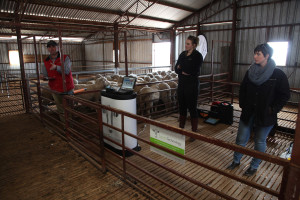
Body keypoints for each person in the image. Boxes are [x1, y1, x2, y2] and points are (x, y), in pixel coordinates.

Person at [227, 43, 290, 176]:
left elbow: (285, 95)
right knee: (241, 138)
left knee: (260, 141)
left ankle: (254, 166)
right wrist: (243, 104)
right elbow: (243, 89)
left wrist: (273, 109)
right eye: (255, 53)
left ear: (267, 56)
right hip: (248, 112)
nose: (255, 56)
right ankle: (236, 161)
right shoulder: (250, 72)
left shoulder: (277, 74)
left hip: (265, 114)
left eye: (258, 54)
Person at [175, 35, 203, 141]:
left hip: (192, 85)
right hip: (182, 83)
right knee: (182, 105)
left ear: (194, 45)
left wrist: (182, 68)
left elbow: (193, 70)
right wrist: (181, 70)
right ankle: (181, 129)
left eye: (188, 44)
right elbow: (176, 68)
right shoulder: (182, 54)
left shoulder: (197, 56)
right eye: (186, 43)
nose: (185, 45)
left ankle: (193, 132)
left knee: (192, 107)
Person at [40, 40, 74, 122]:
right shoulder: (45, 61)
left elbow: (66, 70)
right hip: (55, 89)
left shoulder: (65, 58)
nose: (51, 49)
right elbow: (45, 74)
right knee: (60, 108)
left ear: (57, 48)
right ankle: (65, 126)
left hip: (67, 87)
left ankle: (71, 126)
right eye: (49, 47)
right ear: (47, 49)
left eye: (53, 46)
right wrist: (43, 77)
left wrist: (56, 67)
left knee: (69, 108)